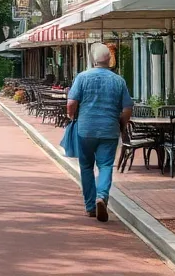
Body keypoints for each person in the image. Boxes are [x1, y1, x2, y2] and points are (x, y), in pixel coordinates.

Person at [66, 43, 133, 223]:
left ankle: (90, 207)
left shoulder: (82, 77)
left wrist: (71, 116)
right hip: (109, 129)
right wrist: (121, 124)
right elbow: (127, 108)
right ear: (109, 60)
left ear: (93, 60)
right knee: (105, 165)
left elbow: (71, 103)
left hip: (85, 129)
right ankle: (101, 196)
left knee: (86, 166)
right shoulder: (119, 80)